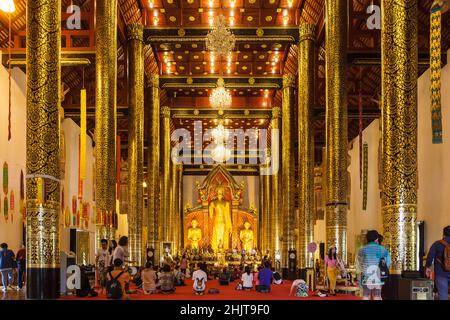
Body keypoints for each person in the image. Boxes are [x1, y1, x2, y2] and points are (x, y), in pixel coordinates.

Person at [357, 230, 391, 300]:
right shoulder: (382, 249)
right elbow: (388, 261)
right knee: (377, 295)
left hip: (366, 275)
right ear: (377, 239)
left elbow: (359, 263)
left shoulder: (362, 250)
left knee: (366, 295)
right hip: (377, 275)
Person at [425, 225, 450, 300]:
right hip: (441, 273)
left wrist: (427, 267)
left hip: (441, 273)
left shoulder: (437, 244)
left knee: (443, 296)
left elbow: (430, 257)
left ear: (443, 234)